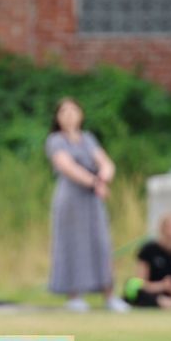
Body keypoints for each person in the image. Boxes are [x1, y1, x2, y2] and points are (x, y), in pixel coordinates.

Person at [46, 98, 129, 313]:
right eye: (64, 111)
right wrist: (94, 182)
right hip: (71, 199)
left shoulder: (88, 139)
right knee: (73, 243)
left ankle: (108, 294)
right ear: (57, 117)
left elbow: (107, 163)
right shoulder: (56, 140)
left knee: (100, 243)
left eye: (74, 110)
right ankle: (74, 294)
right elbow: (67, 167)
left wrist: (102, 178)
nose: (70, 115)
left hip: (92, 200)